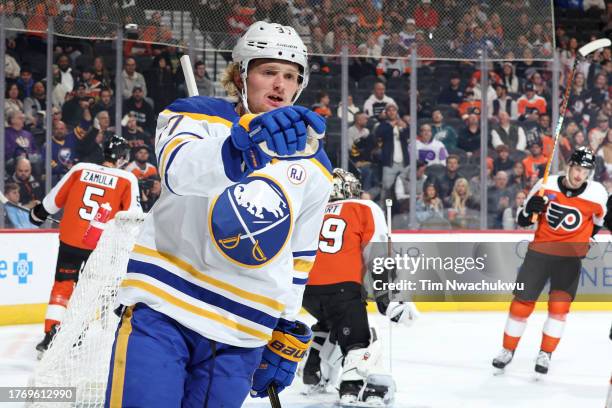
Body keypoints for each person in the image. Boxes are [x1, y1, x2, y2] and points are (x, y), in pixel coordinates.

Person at [105, 21, 332, 407]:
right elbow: (178, 172)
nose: (280, 84)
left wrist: (284, 323)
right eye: (268, 72)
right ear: (241, 74)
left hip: (242, 331)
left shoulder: (314, 161)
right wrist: (240, 144)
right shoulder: (195, 116)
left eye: (290, 76)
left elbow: (299, 253)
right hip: (164, 309)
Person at [301, 169, 418, 404]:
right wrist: (388, 297)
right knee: (362, 337)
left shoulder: (310, 210)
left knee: (332, 323)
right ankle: (351, 387)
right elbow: (377, 251)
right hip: (341, 288)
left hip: (307, 291)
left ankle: (314, 371)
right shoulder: (363, 207)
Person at [492, 147, 608, 375]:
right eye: (576, 169)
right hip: (539, 253)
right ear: (568, 166)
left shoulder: (597, 193)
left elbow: (599, 220)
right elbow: (523, 220)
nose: (578, 175)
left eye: (584, 171)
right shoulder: (547, 184)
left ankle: (545, 354)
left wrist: (588, 237)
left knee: (559, 308)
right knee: (521, 304)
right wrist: (529, 211)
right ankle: (507, 350)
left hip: (569, 258)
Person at [29, 135, 140, 356]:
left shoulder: (80, 169)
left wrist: (37, 214)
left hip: (69, 241)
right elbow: (134, 218)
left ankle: (50, 335)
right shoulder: (127, 179)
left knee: (62, 286)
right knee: (88, 291)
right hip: (98, 247)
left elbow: (51, 202)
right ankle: (76, 335)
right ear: (120, 157)